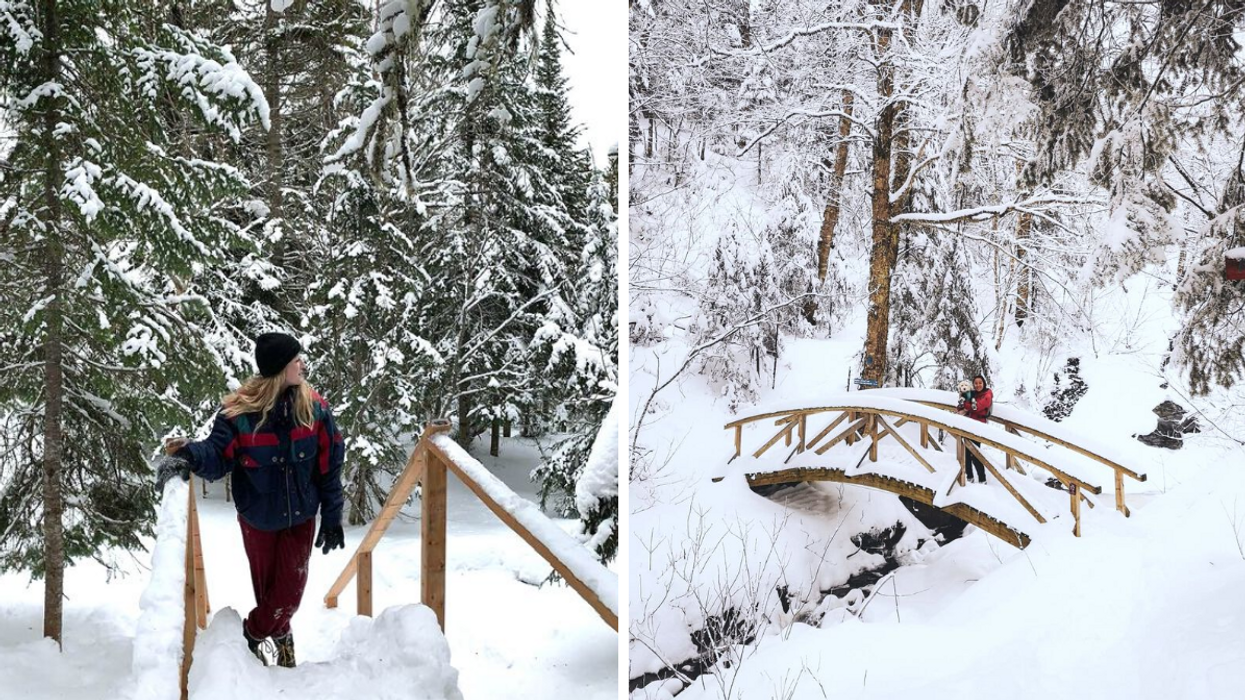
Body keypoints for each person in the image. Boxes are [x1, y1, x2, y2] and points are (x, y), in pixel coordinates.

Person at [156, 332, 346, 668]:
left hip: (301, 517)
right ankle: (282, 639)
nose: (301, 364)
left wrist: (332, 514)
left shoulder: (314, 409)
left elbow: (330, 465)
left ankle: (252, 634)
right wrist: (188, 456)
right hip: (258, 519)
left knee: (289, 593)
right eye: (295, 361)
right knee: (269, 591)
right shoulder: (238, 414)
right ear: (278, 370)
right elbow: (217, 454)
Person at [956, 374, 993, 483]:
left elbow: (978, 407)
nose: (978, 385)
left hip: (979, 426)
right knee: (967, 452)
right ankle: (969, 477)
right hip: (968, 424)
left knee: (975, 452)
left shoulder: (987, 394)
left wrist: (966, 405)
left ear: (984, 383)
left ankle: (982, 479)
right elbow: (960, 407)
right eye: (976, 383)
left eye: (980, 383)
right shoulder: (972, 394)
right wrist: (963, 405)